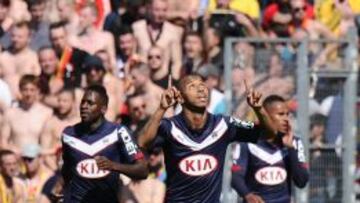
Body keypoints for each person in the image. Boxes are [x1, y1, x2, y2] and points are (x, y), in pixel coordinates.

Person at [137, 74, 277, 202]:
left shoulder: (224, 124)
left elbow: (269, 133)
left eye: (202, 85)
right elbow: (142, 142)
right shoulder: (170, 127)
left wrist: (259, 109)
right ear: (179, 97)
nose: (201, 89)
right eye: (192, 86)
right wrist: (161, 108)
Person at [61, 84, 148, 203]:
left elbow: (143, 170)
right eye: (83, 102)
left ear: (103, 109)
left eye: (90, 103)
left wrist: (114, 166)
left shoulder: (119, 132)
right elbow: (67, 170)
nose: (84, 106)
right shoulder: (68, 135)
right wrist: (60, 187)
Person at [231, 95, 309, 203]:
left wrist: (290, 148)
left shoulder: (295, 143)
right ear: (265, 117)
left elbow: (301, 181)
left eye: (287, 114)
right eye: (280, 114)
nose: (286, 119)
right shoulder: (247, 144)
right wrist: (247, 195)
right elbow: (236, 177)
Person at [1, 75, 53, 154]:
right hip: (15, 158)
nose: (28, 94)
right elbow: (3, 142)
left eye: (32, 90)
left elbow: (46, 144)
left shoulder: (46, 113)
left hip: (36, 158)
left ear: (38, 91)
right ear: (20, 90)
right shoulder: (10, 113)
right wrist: (15, 152)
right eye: (25, 90)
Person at [40, 88, 79, 171]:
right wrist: (57, 172)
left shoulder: (81, 124)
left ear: (73, 102)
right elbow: (44, 152)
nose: (61, 104)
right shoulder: (51, 123)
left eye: (65, 101)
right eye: (59, 101)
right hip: (53, 168)